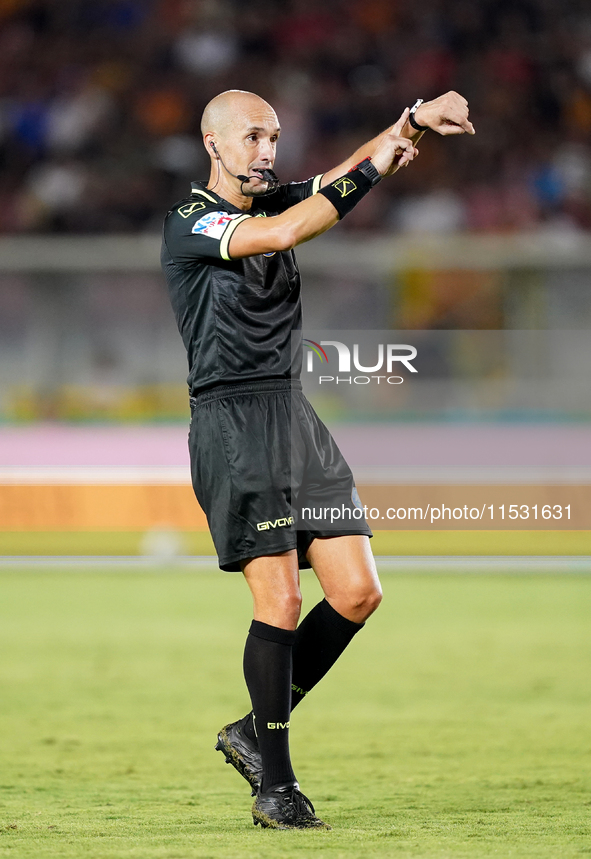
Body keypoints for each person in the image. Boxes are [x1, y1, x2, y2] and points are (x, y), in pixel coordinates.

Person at [161, 89, 474, 830]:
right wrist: (369, 172)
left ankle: (248, 728)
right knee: (280, 602)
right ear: (213, 143)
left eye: (272, 137)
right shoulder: (191, 221)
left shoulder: (273, 197)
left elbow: (338, 175)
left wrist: (408, 123)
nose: (265, 150)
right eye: (250, 137)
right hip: (233, 421)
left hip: (295, 414)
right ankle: (275, 783)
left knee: (358, 592)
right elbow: (291, 229)